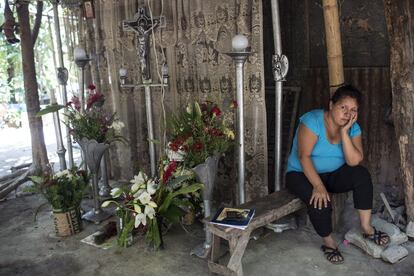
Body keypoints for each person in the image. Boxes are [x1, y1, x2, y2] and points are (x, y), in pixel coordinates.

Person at [285, 85, 390, 264]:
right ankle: (329, 243)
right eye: (343, 108)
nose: (347, 114)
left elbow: (354, 161)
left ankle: (366, 227)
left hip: (333, 174)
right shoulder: (313, 121)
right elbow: (304, 156)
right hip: (301, 173)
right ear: (331, 105)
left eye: (353, 110)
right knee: (319, 200)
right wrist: (318, 186)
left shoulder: (352, 128)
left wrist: (344, 133)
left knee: (361, 175)